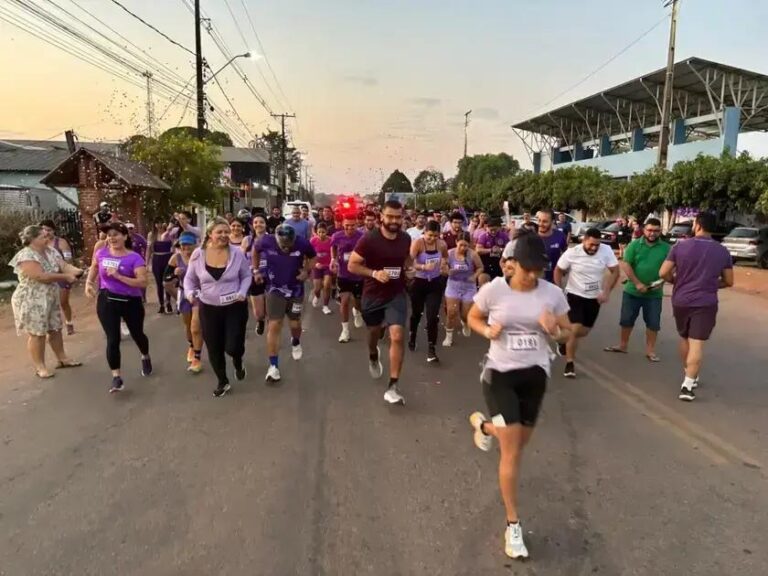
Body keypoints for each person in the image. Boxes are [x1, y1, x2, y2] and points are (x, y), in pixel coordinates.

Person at [466, 232, 572, 560]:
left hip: (535, 374)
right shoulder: (494, 289)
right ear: (511, 265)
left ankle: (484, 427)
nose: (531, 275)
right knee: (511, 450)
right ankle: (513, 525)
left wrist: (554, 329)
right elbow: (473, 316)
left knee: (517, 441)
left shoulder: (552, 294)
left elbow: (570, 332)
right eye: (526, 269)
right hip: (499, 373)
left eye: (537, 269)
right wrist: (487, 331)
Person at [659, 212, 733, 402]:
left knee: (685, 338)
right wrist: (710, 283)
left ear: (697, 225)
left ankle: (688, 371)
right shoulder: (722, 251)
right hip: (705, 302)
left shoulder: (680, 246)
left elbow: (663, 273)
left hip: (681, 300)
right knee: (697, 342)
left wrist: (676, 281)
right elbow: (729, 281)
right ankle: (688, 385)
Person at [348, 199, 413, 405]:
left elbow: (406, 261)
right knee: (373, 333)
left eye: (398, 217)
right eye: (390, 216)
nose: (394, 220)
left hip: (396, 294)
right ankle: (372, 355)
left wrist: (410, 270)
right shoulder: (369, 239)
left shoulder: (405, 239)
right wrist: (374, 273)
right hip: (373, 295)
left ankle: (393, 385)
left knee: (397, 335)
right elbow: (352, 265)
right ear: (382, 217)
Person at [183, 218, 251, 397]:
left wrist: (243, 291)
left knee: (233, 346)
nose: (223, 235)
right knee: (214, 346)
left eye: (226, 232)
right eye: (219, 232)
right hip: (209, 308)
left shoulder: (237, 253)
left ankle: (237, 360)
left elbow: (246, 275)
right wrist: (190, 293)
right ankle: (223, 381)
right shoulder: (198, 254)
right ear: (210, 234)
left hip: (234, 306)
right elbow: (189, 279)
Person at [84, 222, 152, 392]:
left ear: (125, 236)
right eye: (109, 235)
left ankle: (145, 355)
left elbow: (143, 282)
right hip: (107, 300)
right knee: (112, 339)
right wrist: (89, 283)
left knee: (138, 335)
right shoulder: (101, 253)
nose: (112, 238)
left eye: (116, 234)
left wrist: (119, 276)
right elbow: (94, 267)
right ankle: (117, 377)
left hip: (131, 301)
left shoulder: (134, 258)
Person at [9, 225, 83, 378]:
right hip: (31, 299)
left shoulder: (51, 251)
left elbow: (63, 265)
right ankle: (40, 366)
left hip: (49, 297)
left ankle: (62, 358)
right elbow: (40, 276)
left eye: (47, 234)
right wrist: (65, 277)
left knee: (55, 328)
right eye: (42, 236)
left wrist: (76, 271)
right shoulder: (26, 256)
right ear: (32, 239)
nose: (47, 237)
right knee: (37, 333)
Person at [252, 224, 316, 383]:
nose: (286, 248)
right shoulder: (265, 241)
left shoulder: (302, 243)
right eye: (283, 246)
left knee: (294, 323)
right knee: (274, 325)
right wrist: (256, 270)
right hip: (274, 288)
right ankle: (273, 367)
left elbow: (313, 257)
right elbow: (255, 250)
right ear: (276, 239)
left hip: (295, 289)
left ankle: (296, 341)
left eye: (289, 245)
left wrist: (306, 271)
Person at [554, 228, 620, 378]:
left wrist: (606, 291)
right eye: (591, 244)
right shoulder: (572, 252)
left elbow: (615, 271)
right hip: (574, 295)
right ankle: (569, 363)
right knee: (574, 329)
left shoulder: (606, 250)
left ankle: (563, 342)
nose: (594, 248)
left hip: (594, 298)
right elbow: (558, 270)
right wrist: (558, 290)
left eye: (597, 245)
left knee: (584, 331)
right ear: (584, 240)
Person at [604, 218, 670, 361]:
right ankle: (622, 345)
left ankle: (650, 351)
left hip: (654, 293)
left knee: (653, 323)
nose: (652, 233)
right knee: (626, 320)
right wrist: (637, 283)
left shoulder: (666, 248)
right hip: (632, 291)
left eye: (656, 231)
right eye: (650, 230)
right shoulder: (634, 245)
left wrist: (662, 281)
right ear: (644, 230)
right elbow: (626, 264)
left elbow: (671, 268)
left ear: (660, 232)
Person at [408, 220, 449, 362]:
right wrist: (423, 267)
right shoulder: (418, 243)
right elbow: (410, 262)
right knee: (416, 313)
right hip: (419, 283)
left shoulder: (442, 244)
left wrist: (443, 264)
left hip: (435, 284)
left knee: (432, 317)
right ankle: (412, 335)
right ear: (424, 232)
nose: (432, 239)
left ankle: (432, 348)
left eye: (436, 236)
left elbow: (445, 256)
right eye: (430, 235)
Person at [164, 232, 204, 373]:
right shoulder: (176, 258)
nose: (186, 248)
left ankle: (197, 358)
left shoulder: (201, 256)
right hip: (184, 294)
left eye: (189, 244)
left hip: (201, 294)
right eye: (183, 245)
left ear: (195, 244)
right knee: (188, 326)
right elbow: (166, 279)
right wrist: (175, 273)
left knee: (196, 326)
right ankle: (192, 345)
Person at [443, 231, 483, 347]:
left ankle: (465, 323)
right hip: (453, 285)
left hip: (468, 286)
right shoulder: (449, 253)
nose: (463, 248)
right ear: (456, 242)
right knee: (451, 312)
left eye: (466, 245)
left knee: (465, 314)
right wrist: (447, 271)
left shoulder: (473, 254)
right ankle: (448, 336)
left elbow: (480, 267)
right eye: (461, 245)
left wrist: (474, 276)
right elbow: (443, 268)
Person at [39, 219, 77, 335]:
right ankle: (51, 327)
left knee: (63, 302)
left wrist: (66, 272)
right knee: (47, 304)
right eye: (44, 230)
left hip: (61, 276)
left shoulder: (61, 242)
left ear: (54, 230)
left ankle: (69, 322)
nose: (46, 232)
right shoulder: (39, 243)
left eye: (49, 230)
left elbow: (68, 259)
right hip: (47, 277)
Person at [331, 215, 365, 343]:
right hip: (343, 274)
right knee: (344, 301)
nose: (350, 228)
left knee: (358, 301)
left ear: (356, 224)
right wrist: (333, 259)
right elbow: (333, 247)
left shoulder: (362, 236)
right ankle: (345, 330)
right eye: (347, 225)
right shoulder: (337, 236)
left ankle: (357, 311)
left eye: (353, 225)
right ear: (343, 224)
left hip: (358, 274)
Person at [246, 214, 269, 335]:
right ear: (252, 225)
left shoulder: (272, 239)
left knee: (272, 311)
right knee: (259, 313)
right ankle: (260, 321)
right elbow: (241, 259)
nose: (258, 224)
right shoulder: (247, 240)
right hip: (254, 277)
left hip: (270, 277)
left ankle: (272, 333)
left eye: (261, 222)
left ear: (266, 224)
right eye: (255, 222)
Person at [147, 220, 175, 314]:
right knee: (159, 283)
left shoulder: (169, 234)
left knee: (166, 281)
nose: (158, 225)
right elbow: (149, 249)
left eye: (160, 222)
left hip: (167, 258)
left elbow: (174, 246)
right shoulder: (151, 235)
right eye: (156, 223)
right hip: (157, 259)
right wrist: (147, 263)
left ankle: (168, 303)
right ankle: (161, 305)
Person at [535, 209, 568, 283]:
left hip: (553, 281)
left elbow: (565, 253)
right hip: (533, 281)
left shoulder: (560, 236)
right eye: (539, 220)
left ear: (552, 222)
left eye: (545, 221)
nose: (540, 224)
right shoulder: (530, 236)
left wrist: (564, 267)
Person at [476, 217, 510, 283]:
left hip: (500, 264)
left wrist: (500, 249)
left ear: (499, 228)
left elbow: (509, 249)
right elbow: (478, 250)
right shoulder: (483, 236)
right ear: (487, 228)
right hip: (486, 264)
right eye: (491, 230)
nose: (493, 232)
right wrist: (491, 250)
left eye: (495, 229)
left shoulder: (504, 236)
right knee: (483, 282)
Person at [310, 222, 333, 315]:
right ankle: (317, 296)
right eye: (319, 232)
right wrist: (315, 264)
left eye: (323, 232)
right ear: (316, 232)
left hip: (328, 266)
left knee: (327, 285)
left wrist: (333, 262)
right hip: (317, 266)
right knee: (317, 288)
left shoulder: (331, 240)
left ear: (326, 232)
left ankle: (325, 306)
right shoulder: (313, 241)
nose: (321, 234)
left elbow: (335, 253)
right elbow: (309, 255)